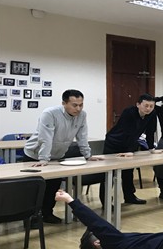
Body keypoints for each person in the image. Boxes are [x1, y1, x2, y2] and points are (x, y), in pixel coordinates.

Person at [23, 89, 103, 224]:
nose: (78, 109)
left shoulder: (82, 115)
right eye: (74, 105)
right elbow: (45, 138)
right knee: (35, 189)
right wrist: (43, 159)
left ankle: (47, 214)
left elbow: (82, 136)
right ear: (64, 103)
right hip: (35, 156)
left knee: (52, 187)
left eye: (81, 105)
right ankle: (30, 219)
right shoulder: (50, 113)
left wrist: (88, 155)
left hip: (56, 157)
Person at [99, 94, 157, 206]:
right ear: (138, 104)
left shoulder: (152, 114)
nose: (148, 109)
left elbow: (150, 131)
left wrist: (151, 148)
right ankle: (106, 201)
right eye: (146, 105)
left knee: (128, 172)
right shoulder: (129, 112)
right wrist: (129, 151)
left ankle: (129, 196)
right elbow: (128, 132)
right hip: (114, 143)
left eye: (151, 106)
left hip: (130, 144)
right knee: (110, 173)